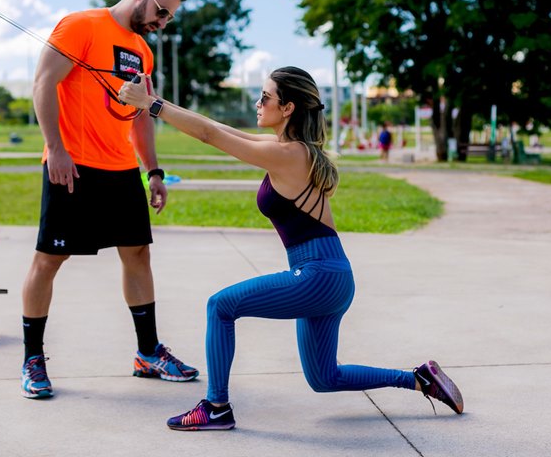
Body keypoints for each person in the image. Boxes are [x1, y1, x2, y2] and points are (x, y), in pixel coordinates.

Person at [119, 66, 464, 431]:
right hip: (330, 277)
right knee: (324, 377)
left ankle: (216, 406)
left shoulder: (291, 155)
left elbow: (208, 136)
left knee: (220, 306)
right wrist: (153, 101)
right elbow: (215, 128)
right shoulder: (287, 149)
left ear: (288, 108)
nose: (258, 102)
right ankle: (418, 378)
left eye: (265, 97)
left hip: (316, 275)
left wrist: (151, 106)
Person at [20, 0, 199, 399]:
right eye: (161, 11)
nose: (163, 22)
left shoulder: (142, 51)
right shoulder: (80, 25)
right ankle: (32, 360)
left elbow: (141, 114)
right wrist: (55, 148)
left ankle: (148, 352)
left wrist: (152, 170)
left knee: (137, 254)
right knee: (49, 259)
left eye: (170, 17)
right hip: (74, 165)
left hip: (121, 169)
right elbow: (44, 84)